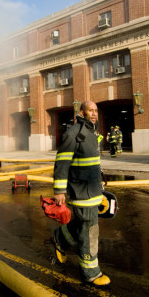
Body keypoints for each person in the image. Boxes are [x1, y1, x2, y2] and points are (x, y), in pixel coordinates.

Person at [51, 101, 111, 286]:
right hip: (80, 192)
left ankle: (59, 238)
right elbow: (62, 163)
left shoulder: (92, 134)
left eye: (95, 111)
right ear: (82, 113)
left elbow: (94, 164)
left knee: (81, 225)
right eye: (90, 111)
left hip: (92, 190)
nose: (94, 114)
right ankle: (91, 272)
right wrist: (59, 190)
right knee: (89, 230)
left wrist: (101, 189)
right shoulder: (73, 134)